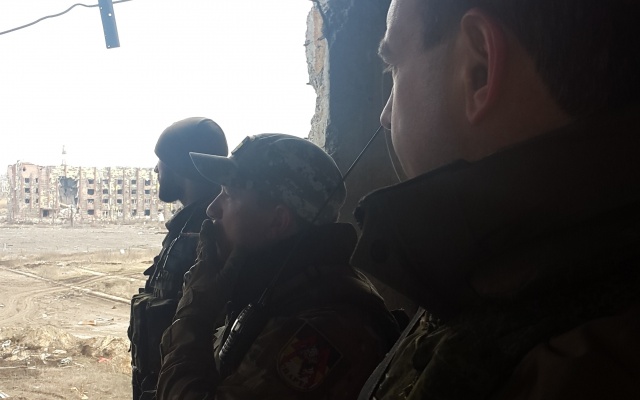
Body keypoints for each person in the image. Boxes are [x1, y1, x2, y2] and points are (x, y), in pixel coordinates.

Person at [353, 0, 640, 399]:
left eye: (394, 66)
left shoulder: (561, 367)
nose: (385, 115)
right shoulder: (501, 270)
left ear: (479, 69)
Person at [156, 133, 399, 399]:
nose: (212, 209)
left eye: (229, 194)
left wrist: (195, 310)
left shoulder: (326, 329)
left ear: (278, 222)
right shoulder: (281, 287)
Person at [128, 117, 228, 400]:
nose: (156, 169)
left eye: (161, 160)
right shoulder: (187, 227)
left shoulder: (208, 231)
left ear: (179, 165)